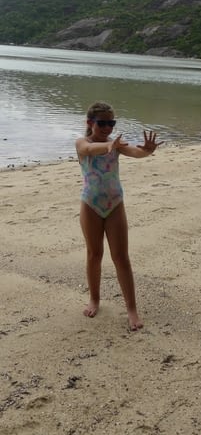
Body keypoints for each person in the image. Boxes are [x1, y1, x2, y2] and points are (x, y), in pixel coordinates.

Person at [75, 101, 162, 331]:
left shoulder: (117, 143)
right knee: (94, 254)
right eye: (102, 123)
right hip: (90, 204)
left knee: (121, 257)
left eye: (110, 123)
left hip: (115, 204)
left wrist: (147, 151)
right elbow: (88, 150)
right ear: (90, 123)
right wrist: (107, 146)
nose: (107, 127)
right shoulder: (82, 142)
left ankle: (132, 309)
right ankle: (94, 299)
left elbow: (135, 152)